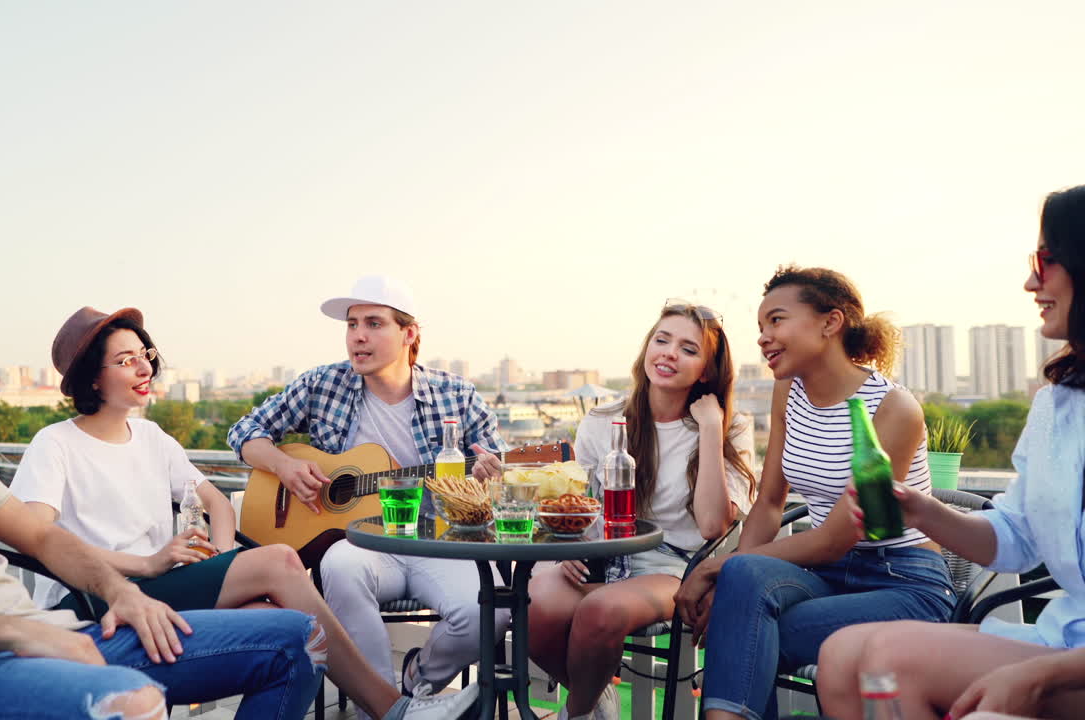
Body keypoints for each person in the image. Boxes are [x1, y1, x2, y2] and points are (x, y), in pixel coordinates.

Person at [0, 259, 323, 720]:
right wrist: (11, 630)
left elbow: (41, 536)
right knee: (130, 701)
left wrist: (126, 593)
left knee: (302, 641)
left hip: (56, 637)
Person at [10, 305, 478, 720]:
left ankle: (394, 708)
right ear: (93, 378)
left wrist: (219, 556)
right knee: (278, 560)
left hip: (158, 591)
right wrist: (146, 564)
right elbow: (38, 536)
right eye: (124, 359)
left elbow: (215, 501)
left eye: (144, 355)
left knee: (297, 635)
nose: (142, 366)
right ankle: (396, 709)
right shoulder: (56, 443)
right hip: (95, 601)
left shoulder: (153, 440)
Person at [815, 185, 1085, 720]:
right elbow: (1014, 540)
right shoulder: (1057, 405)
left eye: (1044, 260)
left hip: (1068, 664)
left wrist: (1038, 674)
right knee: (839, 654)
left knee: (888, 662)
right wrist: (919, 508)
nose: (1030, 281)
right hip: (1064, 638)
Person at [672, 265, 956, 720]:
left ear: (831, 322)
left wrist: (716, 567)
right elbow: (768, 502)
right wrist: (730, 580)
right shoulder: (789, 389)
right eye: (761, 326)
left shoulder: (893, 409)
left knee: (748, 631)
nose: (764, 337)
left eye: (777, 320)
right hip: (828, 577)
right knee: (743, 596)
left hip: (903, 581)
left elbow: (837, 537)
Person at [227, 275, 506, 717]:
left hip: (438, 542)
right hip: (360, 544)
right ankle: (376, 709)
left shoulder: (457, 394)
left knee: (489, 612)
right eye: (352, 324)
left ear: (409, 333)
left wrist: (493, 473)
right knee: (340, 565)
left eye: (374, 324)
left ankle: (413, 684)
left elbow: (498, 469)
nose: (358, 336)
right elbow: (243, 432)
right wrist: (285, 465)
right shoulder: (323, 384)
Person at [527, 302, 755, 720]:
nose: (668, 353)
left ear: (706, 369)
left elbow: (711, 525)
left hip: (673, 567)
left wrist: (708, 427)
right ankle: (595, 698)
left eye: (688, 349)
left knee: (601, 611)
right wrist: (570, 545)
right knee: (531, 606)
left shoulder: (728, 427)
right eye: (661, 340)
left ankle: (575, 713)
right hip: (600, 557)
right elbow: (581, 503)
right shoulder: (603, 421)